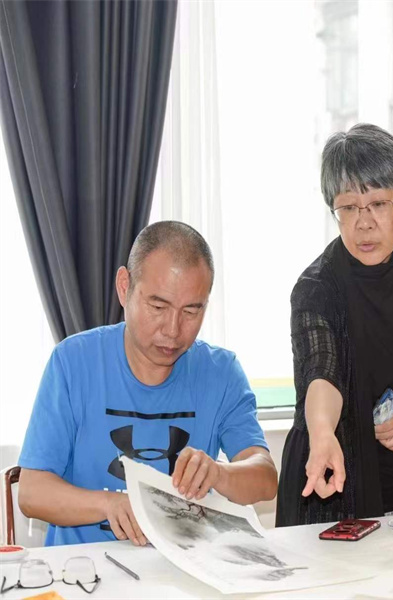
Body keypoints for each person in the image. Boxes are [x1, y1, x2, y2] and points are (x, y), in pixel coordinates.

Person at [17, 221, 278, 546]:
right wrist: (109, 504)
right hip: (85, 568)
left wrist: (219, 473)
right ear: (124, 287)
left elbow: (265, 478)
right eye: (158, 306)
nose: (173, 329)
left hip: (180, 566)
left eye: (191, 311)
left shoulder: (220, 373)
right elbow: (31, 492)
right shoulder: (73, 362)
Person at [276, 123, 393, 526]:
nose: (363, 223)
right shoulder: (316, 287)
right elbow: (322, 372)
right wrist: (323, 434)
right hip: (330, 486)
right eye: (348, 208)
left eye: (378, 204)